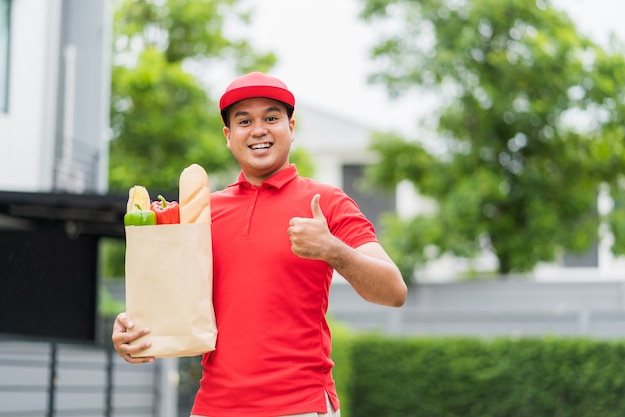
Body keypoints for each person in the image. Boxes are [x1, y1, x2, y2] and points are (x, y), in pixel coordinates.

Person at [111, 71, 408, 417]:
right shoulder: (202, 212)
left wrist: (333, 249)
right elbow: (173, 303)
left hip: (299, 406)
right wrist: (134, 333)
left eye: (271, 117)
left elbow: (393, 291)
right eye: (244, 121)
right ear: (228, 135)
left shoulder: (326, 202)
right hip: (213, 407)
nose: (259, 130)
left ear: (291, 127)